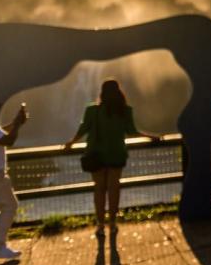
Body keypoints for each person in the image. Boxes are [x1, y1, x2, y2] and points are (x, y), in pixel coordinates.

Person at [64, 79, 159, 237]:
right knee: (114, 189)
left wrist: (71, 143)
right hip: (116, 153)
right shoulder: (125, 110)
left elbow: (83, 129)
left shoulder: (92, 111)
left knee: (99, 189)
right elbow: (132, 131)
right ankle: (113, 224)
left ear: (101, 93)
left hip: (96, 154)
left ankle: (100, 225)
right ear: (119, 92)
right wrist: (151, 137)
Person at [0, 94, 27, 260]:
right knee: (9, 206)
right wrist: (17, 125)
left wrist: (16, 124)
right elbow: (8, 140)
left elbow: (0, 134)